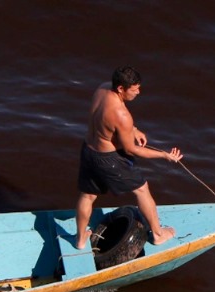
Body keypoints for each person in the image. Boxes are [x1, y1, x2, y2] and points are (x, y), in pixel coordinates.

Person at [74, 66, 183, 249]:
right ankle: (158, 235)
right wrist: (164, 155)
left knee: (88, 195)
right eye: (134, 89)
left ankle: (80, 240)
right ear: (120, 88)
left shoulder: (102, 89)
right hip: (108, 159)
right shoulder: (122, 115)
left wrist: (134, 129)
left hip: (88, 151)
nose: (138, 92)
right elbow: (131, 150)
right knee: (142, 190)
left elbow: (107, 121)